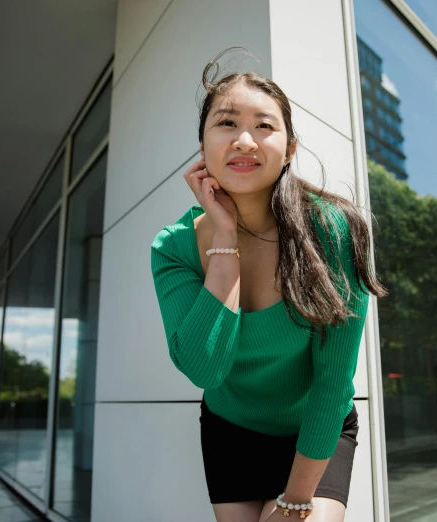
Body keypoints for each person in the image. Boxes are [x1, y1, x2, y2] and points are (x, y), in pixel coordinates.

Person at [151, 51, 386, 522]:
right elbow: (205, 369)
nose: (244, 140)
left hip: (317, 427)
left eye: (264, 126)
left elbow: (332, 379)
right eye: (226, 123)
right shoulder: (175, 247)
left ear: (290, 147)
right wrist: (223, 238)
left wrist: (296, 499)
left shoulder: (335, 231)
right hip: (230, 430)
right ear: (202, 144)